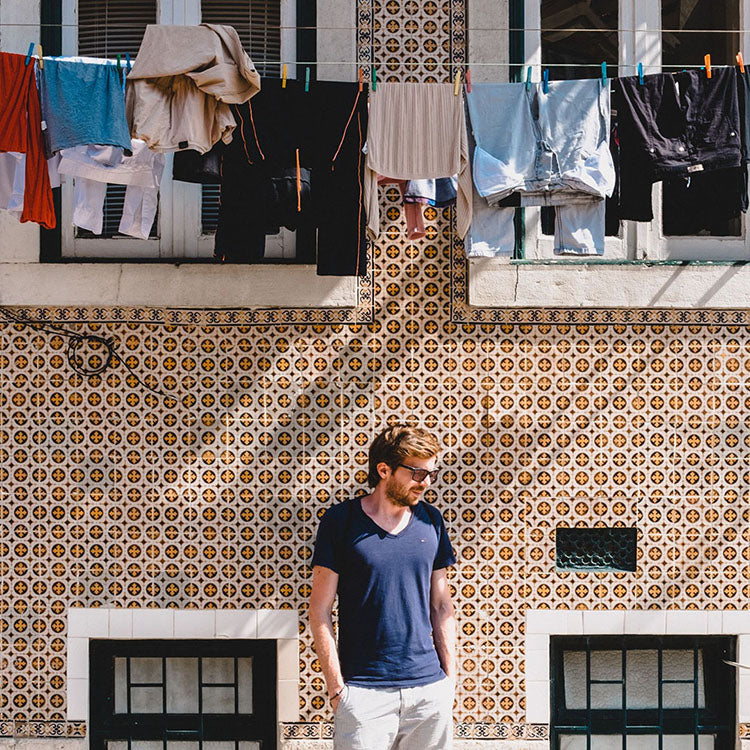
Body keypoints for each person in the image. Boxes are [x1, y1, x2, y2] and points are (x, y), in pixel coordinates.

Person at [309, 424, 457, 750]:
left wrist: (450, 683)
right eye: (418, 473)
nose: (426, 482)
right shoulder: (341, 522)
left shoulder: (431, 521)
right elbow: (319, 611)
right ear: (384, 469)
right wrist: (337, 690)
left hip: (428, 691)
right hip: (364, 692)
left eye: (431, 473)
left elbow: (441, 606)